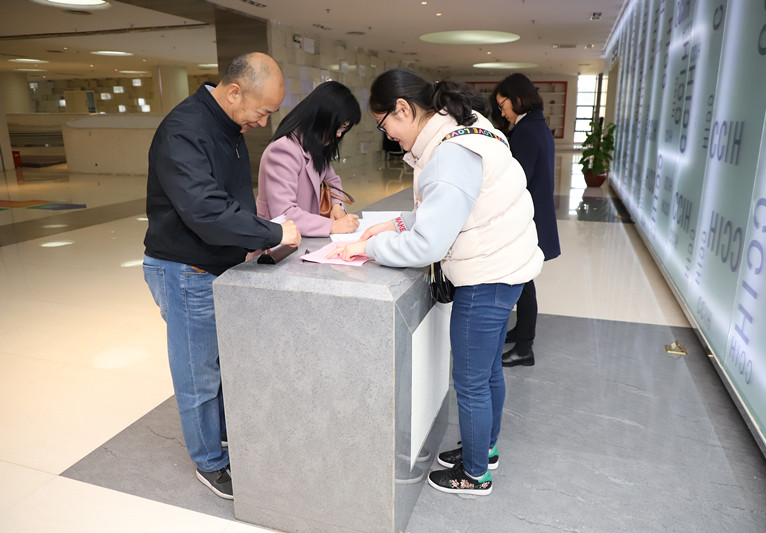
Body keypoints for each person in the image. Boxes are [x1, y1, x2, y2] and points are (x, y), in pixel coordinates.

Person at [329, 68, 544, 496]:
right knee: (487, 373)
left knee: (471, 381)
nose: (388, 135)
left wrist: (368, 247)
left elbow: (428, 244)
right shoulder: (465, 126)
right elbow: (451, 205)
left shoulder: (450, 153)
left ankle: (475, 474)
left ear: (403, 109)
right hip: (506, 266)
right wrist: (395, 223)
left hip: (486, 276)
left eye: (384, 124)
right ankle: (485, 449)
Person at [142, 52, 301, 500]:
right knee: (199, 375)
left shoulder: (228, 125)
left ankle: (223, 434)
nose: (263, 122)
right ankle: (209, 462)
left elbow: (229, 199)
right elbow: (205, 210)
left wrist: (252, 236)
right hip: (186, 270)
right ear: (234, 92)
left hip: (215, 265)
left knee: (220, 363)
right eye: (262, 112)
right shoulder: (184, 130)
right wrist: (272, 232)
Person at [493, 74, 561, 368]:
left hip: (526, 220)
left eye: (503, 105)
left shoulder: (526, 132)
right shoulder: (537, 126)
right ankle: (521, 332)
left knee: (523, 282)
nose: (502, 112)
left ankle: (524, 347)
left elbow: (515, 181)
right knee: (524, 281)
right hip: (536, 215)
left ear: (517, 99)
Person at [256, 81, 361, 237]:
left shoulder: (314, 144)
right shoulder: (283, 150)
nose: (339, 134)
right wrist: (333, 226)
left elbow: (332, 180)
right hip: (278, 243)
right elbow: (284, 213)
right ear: (322, 118)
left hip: (305, 237)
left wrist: (337, 205)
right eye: (338, 127)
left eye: (344, 129)